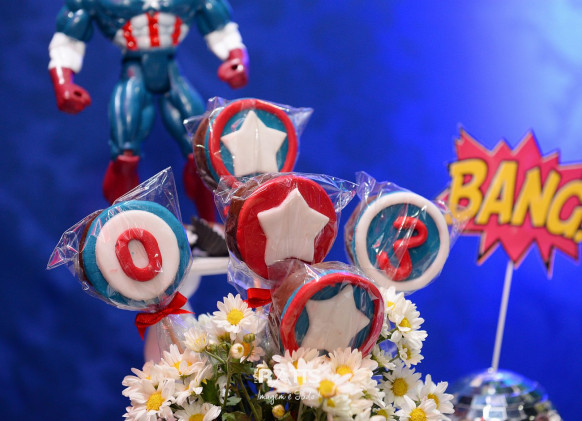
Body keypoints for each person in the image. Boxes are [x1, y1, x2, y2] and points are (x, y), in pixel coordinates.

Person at [48, 0, 249, 222]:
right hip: (134, 72)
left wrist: (237, 58)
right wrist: (62, 82)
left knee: (201, 149)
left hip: (171, 73)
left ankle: (211, 223)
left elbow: (221, 27)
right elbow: (69, 36)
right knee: (125, 151)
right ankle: (124, 225)